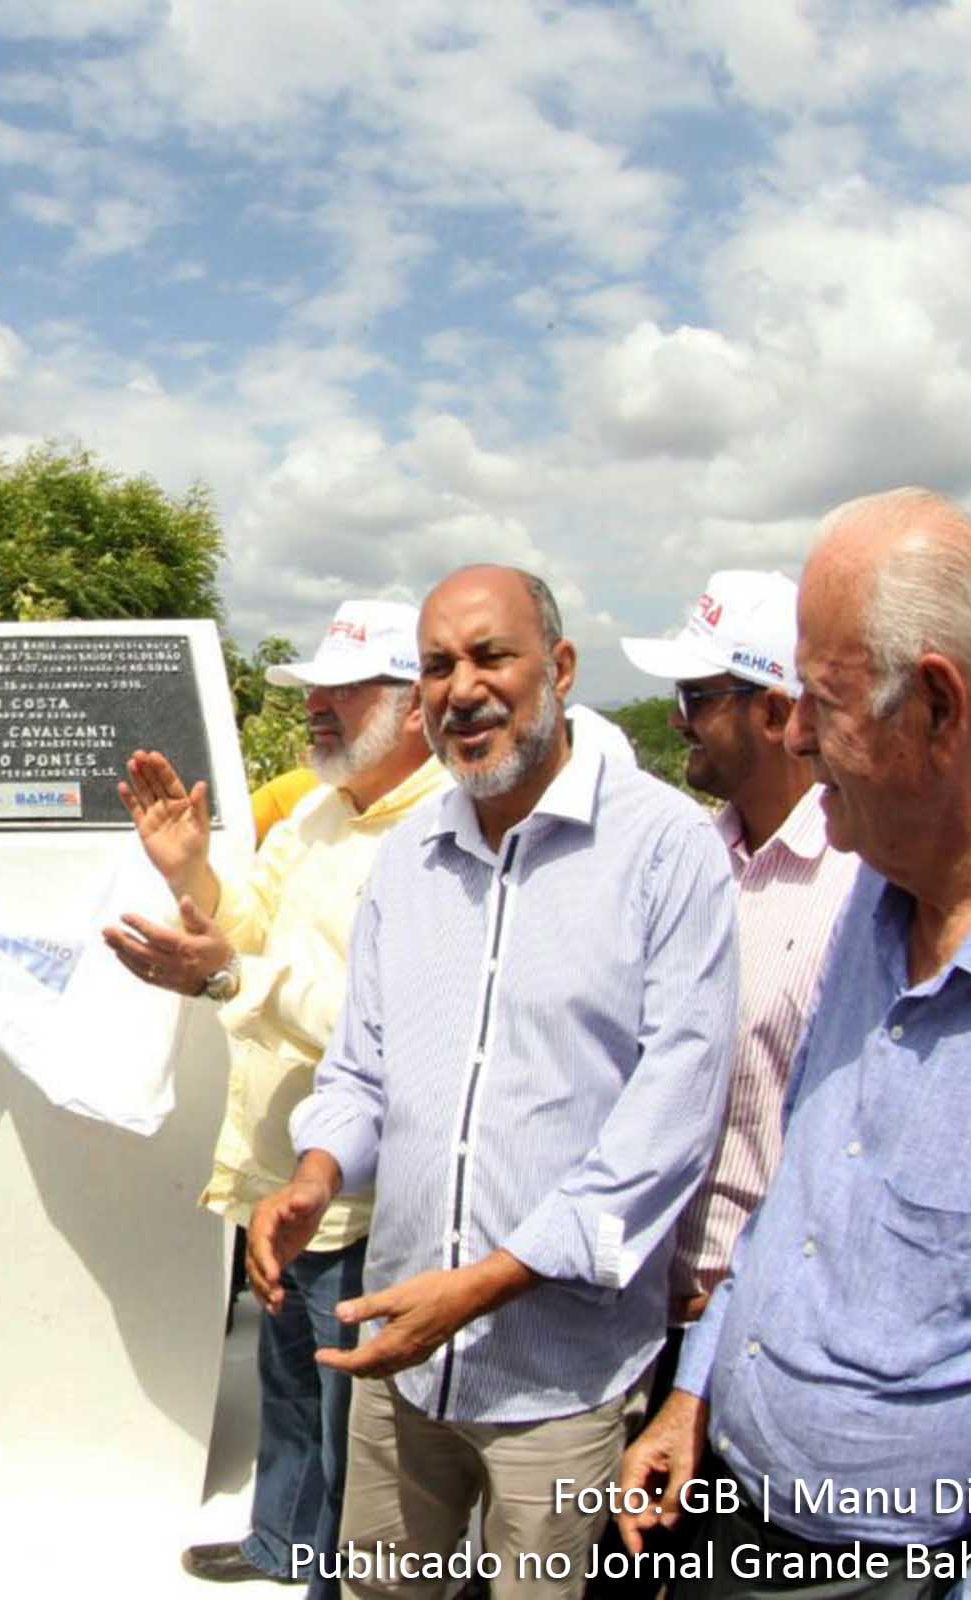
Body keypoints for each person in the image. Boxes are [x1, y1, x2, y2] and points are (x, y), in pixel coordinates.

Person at [253, 565, 738, 1600]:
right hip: (401, 1362)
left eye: (489, 655)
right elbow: (361, 1066)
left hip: (562, 1379)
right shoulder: (408, 862)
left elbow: (670, 1124)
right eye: (434, 666)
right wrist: (314, 1175)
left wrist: (482, 1287)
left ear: (558, 668)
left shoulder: (665, 849)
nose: (459, 687)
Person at [617, 490, 971, 1600]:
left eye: (822, 699)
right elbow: (793, 1203)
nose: (794, 732)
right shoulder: (879, 889)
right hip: (735, 1507)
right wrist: (694, 1396)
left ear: (939, 707)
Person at [104, 600, 446, 1594]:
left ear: (415, 705)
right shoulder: (319, 814)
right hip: (282, 1172)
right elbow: (249, 922)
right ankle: (282, 1540)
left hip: (360, 1187)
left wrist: (225, 979)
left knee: (351, 1413)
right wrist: (193, 870)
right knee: (287, 1374)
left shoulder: (438, 835)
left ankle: (342, 1570)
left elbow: (379, 1024)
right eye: (316, 692)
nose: (320, 711)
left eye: (345, 692)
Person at [578, 571, 858, 1597]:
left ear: (780, 711)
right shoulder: (692, 861)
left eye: (699, 699)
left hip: (749, 1338)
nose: (678, 721)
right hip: (635, 1313)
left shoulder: (854, 890)